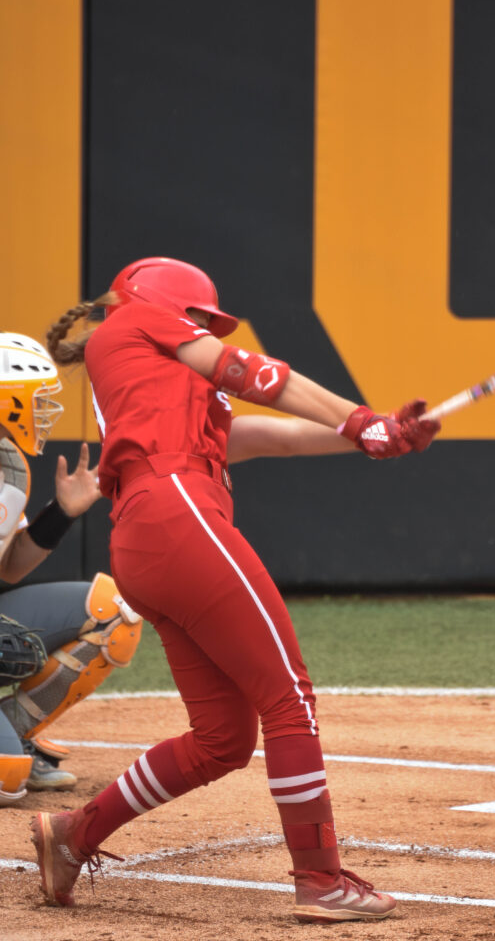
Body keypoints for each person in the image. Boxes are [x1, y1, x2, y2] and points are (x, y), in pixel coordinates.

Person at [32, 256, 440, 923]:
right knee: (289, 697)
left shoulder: (158, 384)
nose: (202, 331)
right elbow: (253, 375)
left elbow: (267, 436)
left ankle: (74, 834)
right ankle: (320, 880)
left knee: (221, 739)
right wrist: (358, 418)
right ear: (161, 304)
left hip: (150, 534)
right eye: (197, 319)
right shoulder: (134, 324)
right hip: (178, 514)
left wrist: (374, 439)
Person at [0, 332, 142, 803]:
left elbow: (10, 570)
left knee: (115, 613)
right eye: (36, 401)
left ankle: (17, 732)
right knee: (6, 781)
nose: (46, 413)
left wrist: (61, 512)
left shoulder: (10, 467)